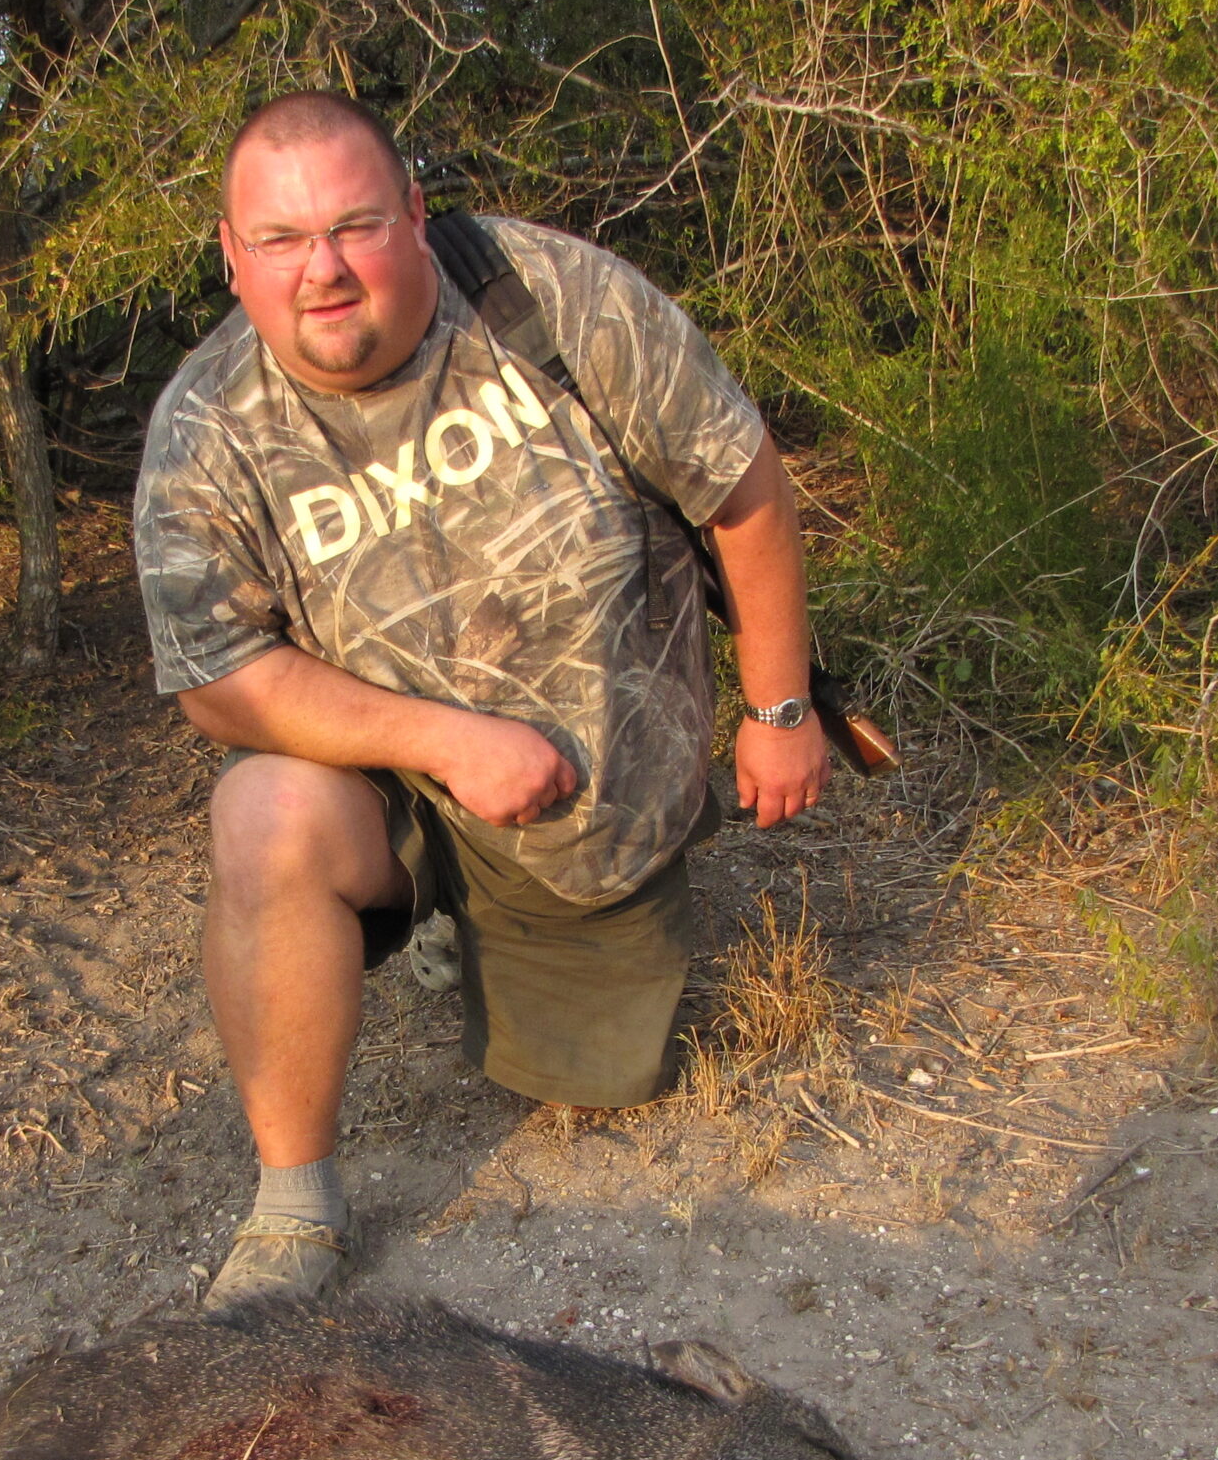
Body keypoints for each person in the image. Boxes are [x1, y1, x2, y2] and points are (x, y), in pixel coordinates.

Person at [133, 92, 828, 1309]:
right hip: (396, 785)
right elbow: (220, 683)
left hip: (592, 797)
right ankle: (294, 1205)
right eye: (283, 241)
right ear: (233, 258)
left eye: (353, 225)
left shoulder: (550, 297)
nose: (325, 270)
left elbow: (743, 485)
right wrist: (447, 743)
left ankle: (481, 934)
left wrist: (777, 711)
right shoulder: (203, 427)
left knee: (604, 1084)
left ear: (412, 212)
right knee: (261, 815)